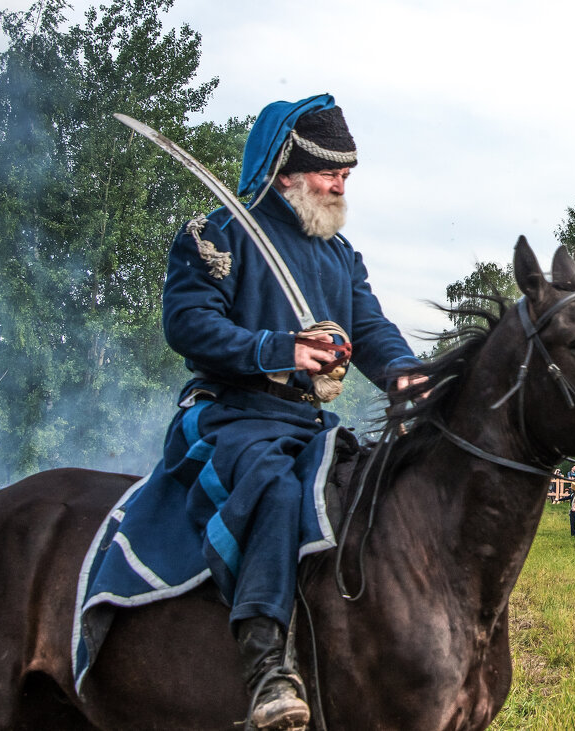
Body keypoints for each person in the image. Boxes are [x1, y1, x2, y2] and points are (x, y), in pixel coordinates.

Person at [109, 95, 427, 731]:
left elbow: (369, 325)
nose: (341, 184)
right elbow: (188, 325)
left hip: (310, 423)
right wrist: (277, 349)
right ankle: (266, 668)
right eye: (328, 172)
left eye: (346, 174)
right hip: (236, 414)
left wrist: (403, 373)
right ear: (287, 169)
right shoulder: (218, 236)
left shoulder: (340, 255)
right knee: (277, 488)